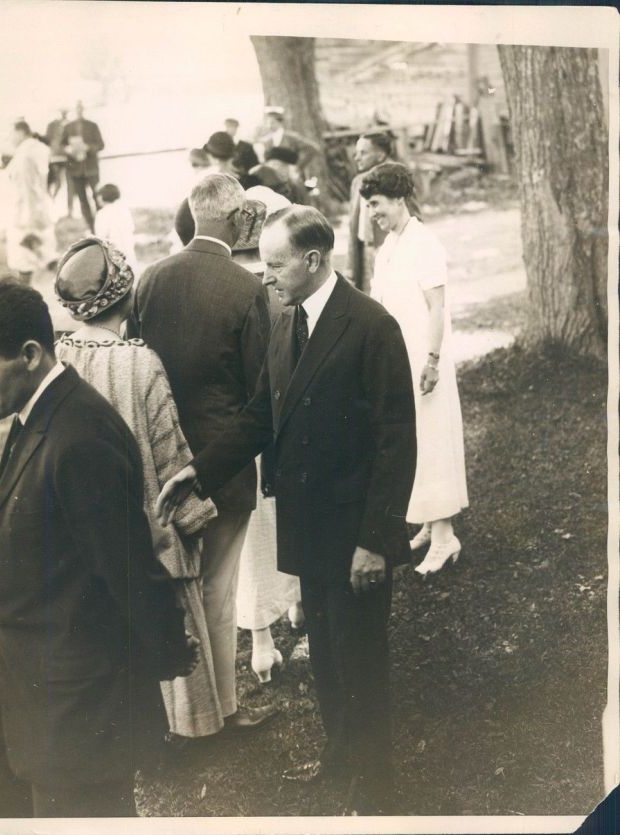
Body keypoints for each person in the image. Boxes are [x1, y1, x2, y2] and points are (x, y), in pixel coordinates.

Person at [157, 205, 417, 814]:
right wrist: (199, 470)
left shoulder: (372, 326)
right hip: (310, 528)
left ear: (312, 259)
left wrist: (375, 540)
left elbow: (396, 442)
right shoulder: (285, 319)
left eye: (273, 264)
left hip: (354, 532)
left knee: (360, 656)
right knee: (325, 649)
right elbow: (260, 414)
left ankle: (376, 787)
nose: (263, 275)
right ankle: (341, 755)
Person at [0, 280, 199, 817]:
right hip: (45, 697)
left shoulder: (80, 437)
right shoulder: (40, 414)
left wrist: (167, 650)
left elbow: (126, 568)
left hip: (76, 708)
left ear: (30, 355)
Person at [54, 237, 222, 743]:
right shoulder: (140, 362)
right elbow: (170, 449)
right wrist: (191, 518)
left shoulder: (59, 354)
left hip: (81, 522)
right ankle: (189, 727)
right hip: (147, 512)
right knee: (166, 590)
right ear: (126, 299)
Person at [128, 173, 277, 732]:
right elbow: (261, 386)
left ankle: (180, 714)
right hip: (223, 464)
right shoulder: (245, 289)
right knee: (217, 590)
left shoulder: (151, 279)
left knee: (174, 585)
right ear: (238, 220)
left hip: (160, 457)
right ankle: (225, 712)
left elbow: (139, 361)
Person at [360, 162, 468, 574]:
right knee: (413, 442)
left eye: (376, 203)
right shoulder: (388, 247)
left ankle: (445, 538)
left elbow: (438, 307)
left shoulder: (424, 243)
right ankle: (428, 522)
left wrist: (433, 360)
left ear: (399, 199)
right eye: (369, 206)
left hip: (425, 360)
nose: (372, 212)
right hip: (397, 361)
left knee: (433, 441)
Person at [230, 191, 303, 684]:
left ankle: (262, 642)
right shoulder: (283, 296)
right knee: (291, 519)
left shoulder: (227, 291)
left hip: (244, 429)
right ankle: (301, 611)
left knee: (257, 532)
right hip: (282, 425)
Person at [347, 132, 421, 295]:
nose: (357, 158)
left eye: (363, 153)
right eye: (356, 153)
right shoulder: (358, 182)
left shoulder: (396, 177)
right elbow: (353, 227)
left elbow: (414, 218)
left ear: (380, 155)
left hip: (391, 252)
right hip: (366, 252)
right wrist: (351, 265)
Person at [5, 121, 56, 281]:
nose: (10, 139)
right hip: (41, 208)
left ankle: (25, 303)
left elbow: (27, 189)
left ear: (20, 132)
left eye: (11, 134)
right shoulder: (39, 149)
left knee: (24, 261)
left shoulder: (25, 155)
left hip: (27, 214)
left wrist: (28, 220)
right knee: (46, 256)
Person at [61, 100, 104, 232]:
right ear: (73, 110)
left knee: (98, 198)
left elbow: (101, 145)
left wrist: (88, 147)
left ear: (83, 109)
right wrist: (68, 149)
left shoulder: (92, 126)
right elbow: (62, 145)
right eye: (76, 108)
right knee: (82, 200)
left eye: (80, 108)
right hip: (75, 170)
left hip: (91, 169)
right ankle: (92, 228)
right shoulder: (68, 127)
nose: (79, 110)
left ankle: (102, 225)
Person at [259, 106, 321, 180]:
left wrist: (298, 166)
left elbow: (313, 148)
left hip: (291, 176)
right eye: (267, 122)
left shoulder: (292, 138)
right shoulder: (265, 140)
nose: (269, 125)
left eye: (272, 122)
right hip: (272, 178)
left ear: (280, 122)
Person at [95, 183, 137, 272]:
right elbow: (132, 229)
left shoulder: (102, 213)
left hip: (114, 256)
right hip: (129, 254)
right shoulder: (125, 210)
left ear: (102, 196)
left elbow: (100, 237)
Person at [44, 107, 73, 211]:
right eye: (62, 112)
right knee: (57, 181)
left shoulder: (69, 124)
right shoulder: (52, 125)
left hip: (65, 157)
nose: (63, 114)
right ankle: (52, 199)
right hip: (56, 157)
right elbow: (47, 139)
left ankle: (54, 200)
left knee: (61, 182)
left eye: (65, 112)